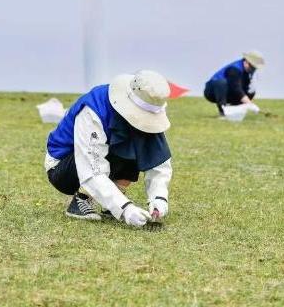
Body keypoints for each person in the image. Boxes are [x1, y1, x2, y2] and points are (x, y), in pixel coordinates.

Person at [44, 70, 173, 227]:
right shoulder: (93, 108)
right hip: (63, 168)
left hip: (96, 161)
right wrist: (125, 208)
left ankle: (111, 205)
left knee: (137, 139)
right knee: (125, 142)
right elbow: (91, 168)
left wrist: (159, 198)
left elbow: (158, 158)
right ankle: (81, 201)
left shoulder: (151, 104)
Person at [204, 50, 265, 116]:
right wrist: (250, 104)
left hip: (228, 90)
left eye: (255, 68)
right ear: (246, 62)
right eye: (252, 67)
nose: (253, 70)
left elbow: (243, 89)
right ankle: (222, 112)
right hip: (212, 91)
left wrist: (250, 98)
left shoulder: (248, 72)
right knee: (222, 83)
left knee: (251, 91)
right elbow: (236, 88)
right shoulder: (234, 69)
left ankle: (233, 111)